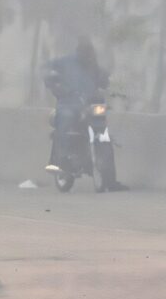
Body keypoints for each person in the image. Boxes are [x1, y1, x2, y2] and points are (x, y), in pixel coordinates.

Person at [44, 38, 128, 191]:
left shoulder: (92, 65)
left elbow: (104, 79)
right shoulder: (66, 62)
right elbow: (49, 74)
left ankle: (111, 181)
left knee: (104, 137)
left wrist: (114, 88)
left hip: (91, 105)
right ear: (79, 52)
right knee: (66, 122)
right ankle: (62, 161)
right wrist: (57, 87)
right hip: (69, 104)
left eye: (90, 53)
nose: (88, 56)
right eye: (85, 53)